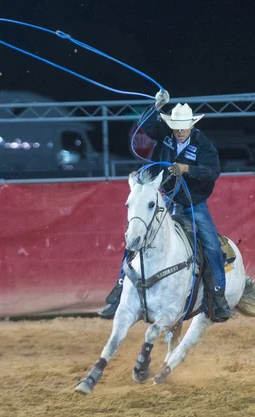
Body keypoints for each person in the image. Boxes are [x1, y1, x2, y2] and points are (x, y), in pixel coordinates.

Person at [98, 90, 234, 322]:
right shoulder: (166, 137)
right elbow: (147, 124)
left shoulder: (204, 146)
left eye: (183, 127)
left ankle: (218, 296)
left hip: (194, 204)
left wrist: (187, 169)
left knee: (211, 245)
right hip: (166, 199)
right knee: (136, 236)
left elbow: (212, 172)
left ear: (191, 126)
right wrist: (157, 105)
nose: (180, 131)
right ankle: (120, 288)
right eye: (177, 126)